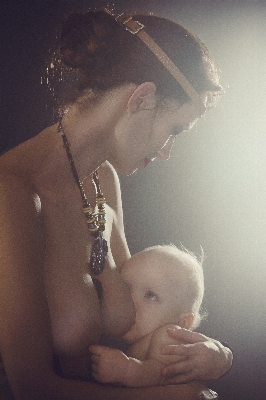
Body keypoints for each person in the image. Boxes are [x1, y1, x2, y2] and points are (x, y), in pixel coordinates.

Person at [0, 8, 232, 400]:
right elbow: (32, 388)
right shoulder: (12, 194)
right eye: (174, 129)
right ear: (142, 98)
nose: (166, 152)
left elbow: (130, 326)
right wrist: (176, 396)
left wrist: (216, 356)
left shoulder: (101, 180)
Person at [90, 244, 207, 387]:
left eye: (150, 296)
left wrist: (127, 369)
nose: (131, 300)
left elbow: (163, 374)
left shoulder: (169, 335)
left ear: (182, 322)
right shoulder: (135, 337)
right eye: (126, 288)